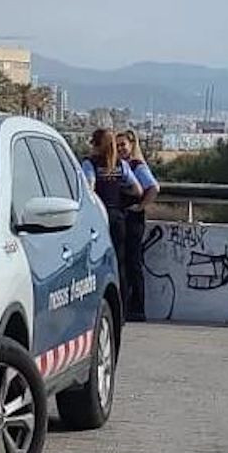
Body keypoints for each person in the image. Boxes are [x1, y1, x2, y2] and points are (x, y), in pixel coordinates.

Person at [81, 128, 145, 320]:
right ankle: (122, 310)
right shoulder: (121, 165)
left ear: (97, 145)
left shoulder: (90, 163)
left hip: (99, 219)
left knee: (95, 264)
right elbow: (137, 190)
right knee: (120, 264)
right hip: (118, 219)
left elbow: (88, 188)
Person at [117, 130, 159, 321]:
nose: (120, 149)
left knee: (133, 262)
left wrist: (140, 206)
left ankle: (137, 306)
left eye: (123, 145)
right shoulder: (119, 166)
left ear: (132, 145)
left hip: (133, 220)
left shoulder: (137, 166)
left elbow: (153, 188)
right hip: (122, 218)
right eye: (116, 146)